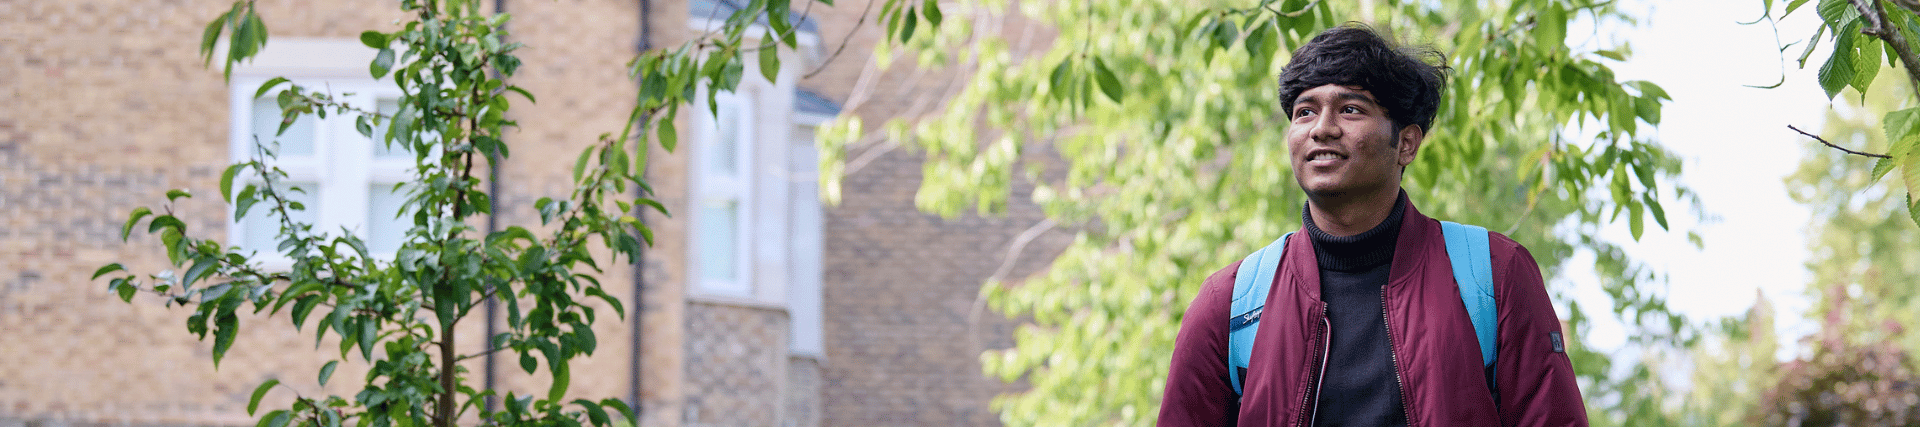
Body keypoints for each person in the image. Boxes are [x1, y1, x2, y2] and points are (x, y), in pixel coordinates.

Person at [1156, 24, 1588, 426]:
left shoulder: (1493, 274)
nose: (1321, 129)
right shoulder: (1230, 303)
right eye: (1304, 112)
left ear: (1406, 142)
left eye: (1350, 109)